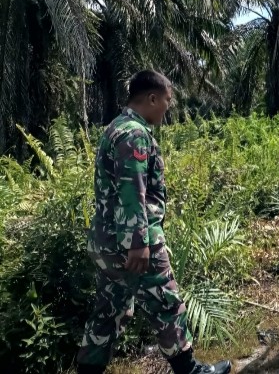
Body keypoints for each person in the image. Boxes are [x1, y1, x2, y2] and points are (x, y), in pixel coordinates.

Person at [77, 70, 231, 374]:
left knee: (109, 312)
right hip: (133, 243)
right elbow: (132, 190)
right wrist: (138, 242)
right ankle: (190, 370)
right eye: (167, 100)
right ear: (151, 98)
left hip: (107, 241)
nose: (167, 107)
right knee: (167, 304)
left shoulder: (115, 128)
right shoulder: (134, 134)